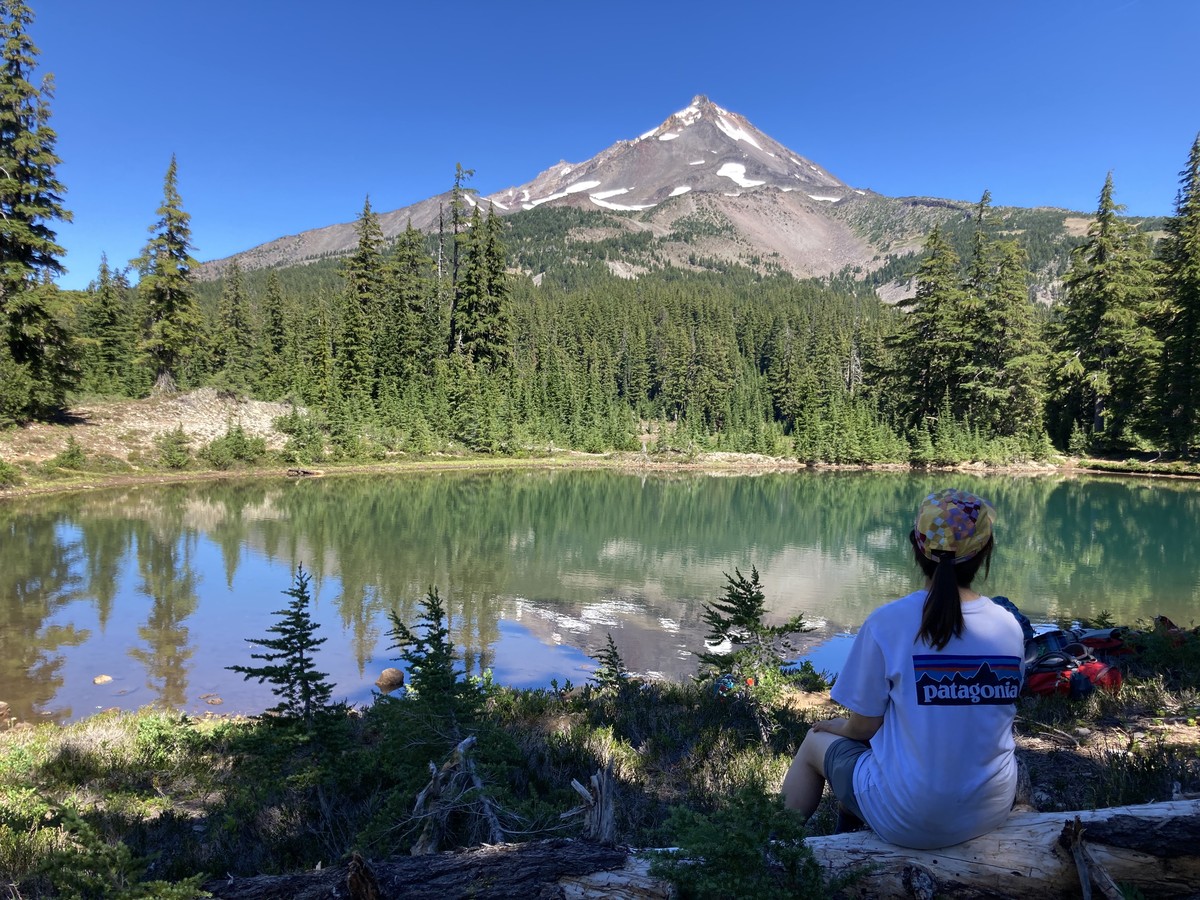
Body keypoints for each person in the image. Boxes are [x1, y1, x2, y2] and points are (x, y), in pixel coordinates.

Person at [781, 488, 1024, 849]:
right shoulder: (1008, 627)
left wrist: (839, 726)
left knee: (817, 742)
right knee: (870, 753)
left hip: (912, 819)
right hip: (990, 809)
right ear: (985, 552)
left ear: (916, 546)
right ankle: (847, 838)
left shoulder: (888, 623)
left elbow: (864, 725)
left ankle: (770, 849)